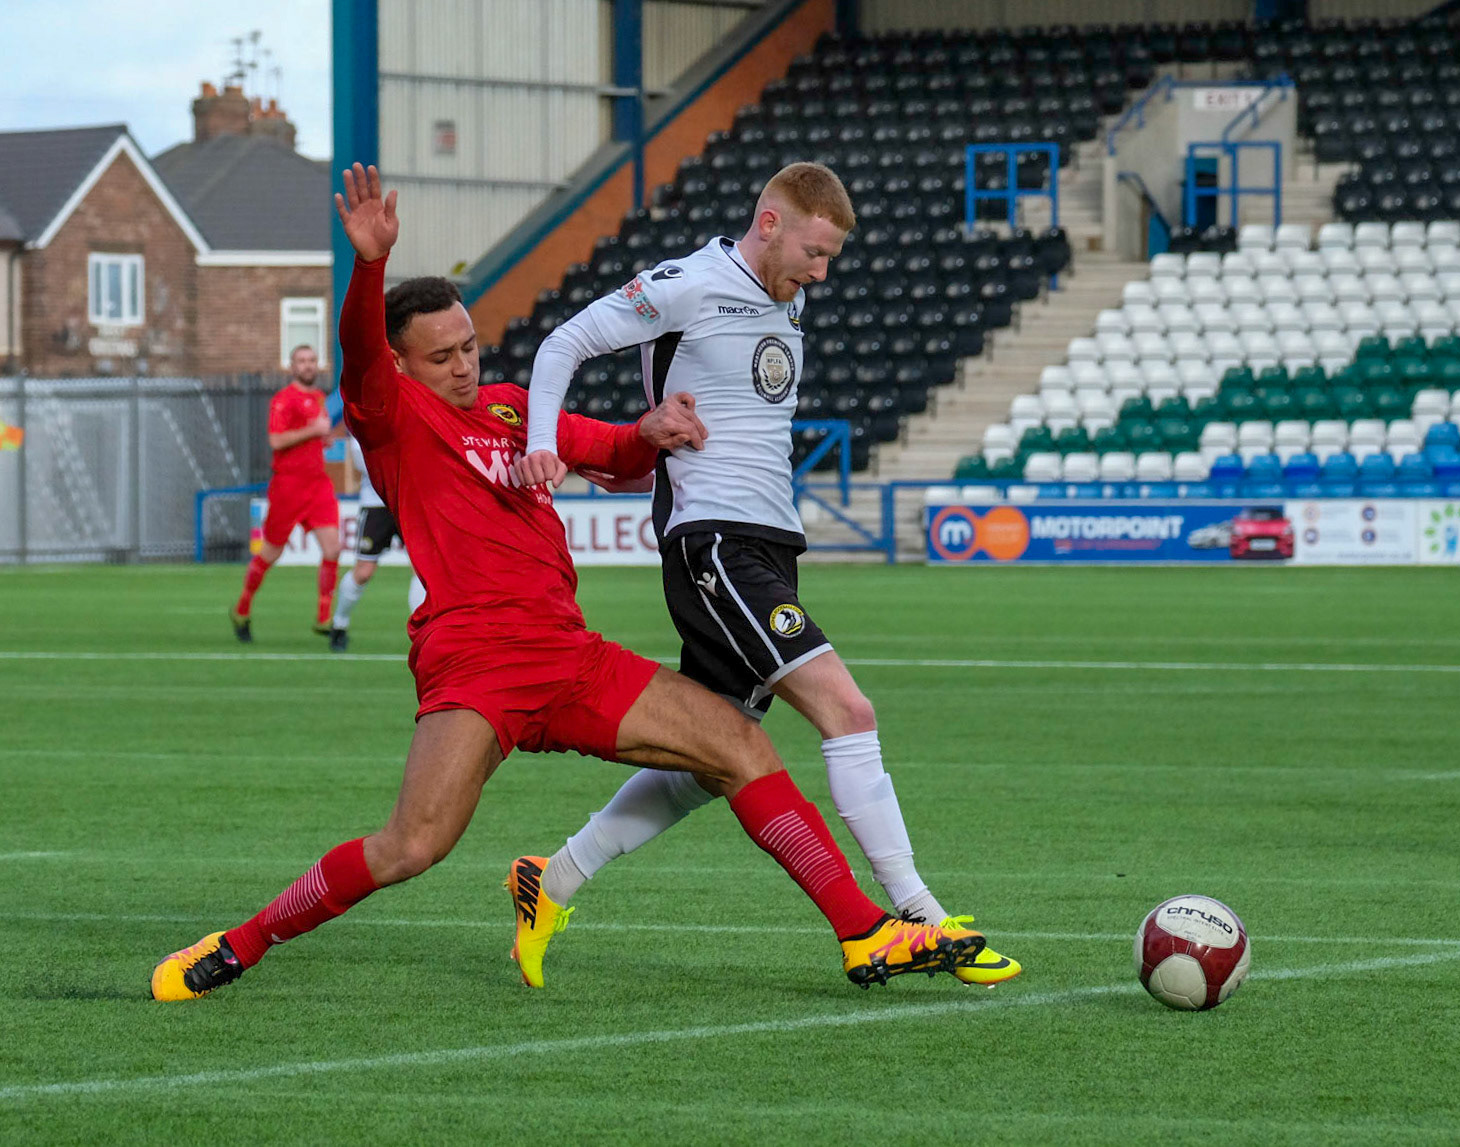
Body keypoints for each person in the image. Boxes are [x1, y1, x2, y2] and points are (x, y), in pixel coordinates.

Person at [150, 164, 983, 1001]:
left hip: (569, 653)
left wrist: (650, 430)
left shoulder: (511, 407)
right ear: (401, 368)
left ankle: (863, 931)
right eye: (441, 357)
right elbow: (363, 350)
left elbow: (611, 452)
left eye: (470, 345)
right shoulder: (393, 417)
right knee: (411, 846)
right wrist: (369, 266)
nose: (464, 368)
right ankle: (242, 940)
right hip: (476, 660)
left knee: (738, 741)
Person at [519, 161, 1019, 986]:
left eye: (829, 260)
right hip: (713, 542)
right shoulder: (685, 284)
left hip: (767, 544)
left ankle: (554, 876)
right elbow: (562, 342)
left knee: (711, 756)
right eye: (813, 253)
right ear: (769, 222)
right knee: (846, 709)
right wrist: (545, 440)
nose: (819, 274)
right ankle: (920, 915)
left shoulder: (788, 293)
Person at [231, 344, 341, 641]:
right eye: (301, 361)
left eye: (311, 360)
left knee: (333, 548)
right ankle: (242, 608)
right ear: (292, 367)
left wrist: (323, 440)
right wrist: (314, 432)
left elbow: (313, 434)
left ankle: (323, 618)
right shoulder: (283, 400)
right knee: (271, 552)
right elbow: (276, 440)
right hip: (288, 485)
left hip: (317, 484)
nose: (307, 365)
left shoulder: (318, 397)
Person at [327, 434, 426, 653]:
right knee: (363, 572)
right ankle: (339, 623)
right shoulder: (364, 420)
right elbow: (367, 463)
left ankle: (423, 633)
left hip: (410, 503)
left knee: (422, 570)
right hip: (376, 505)